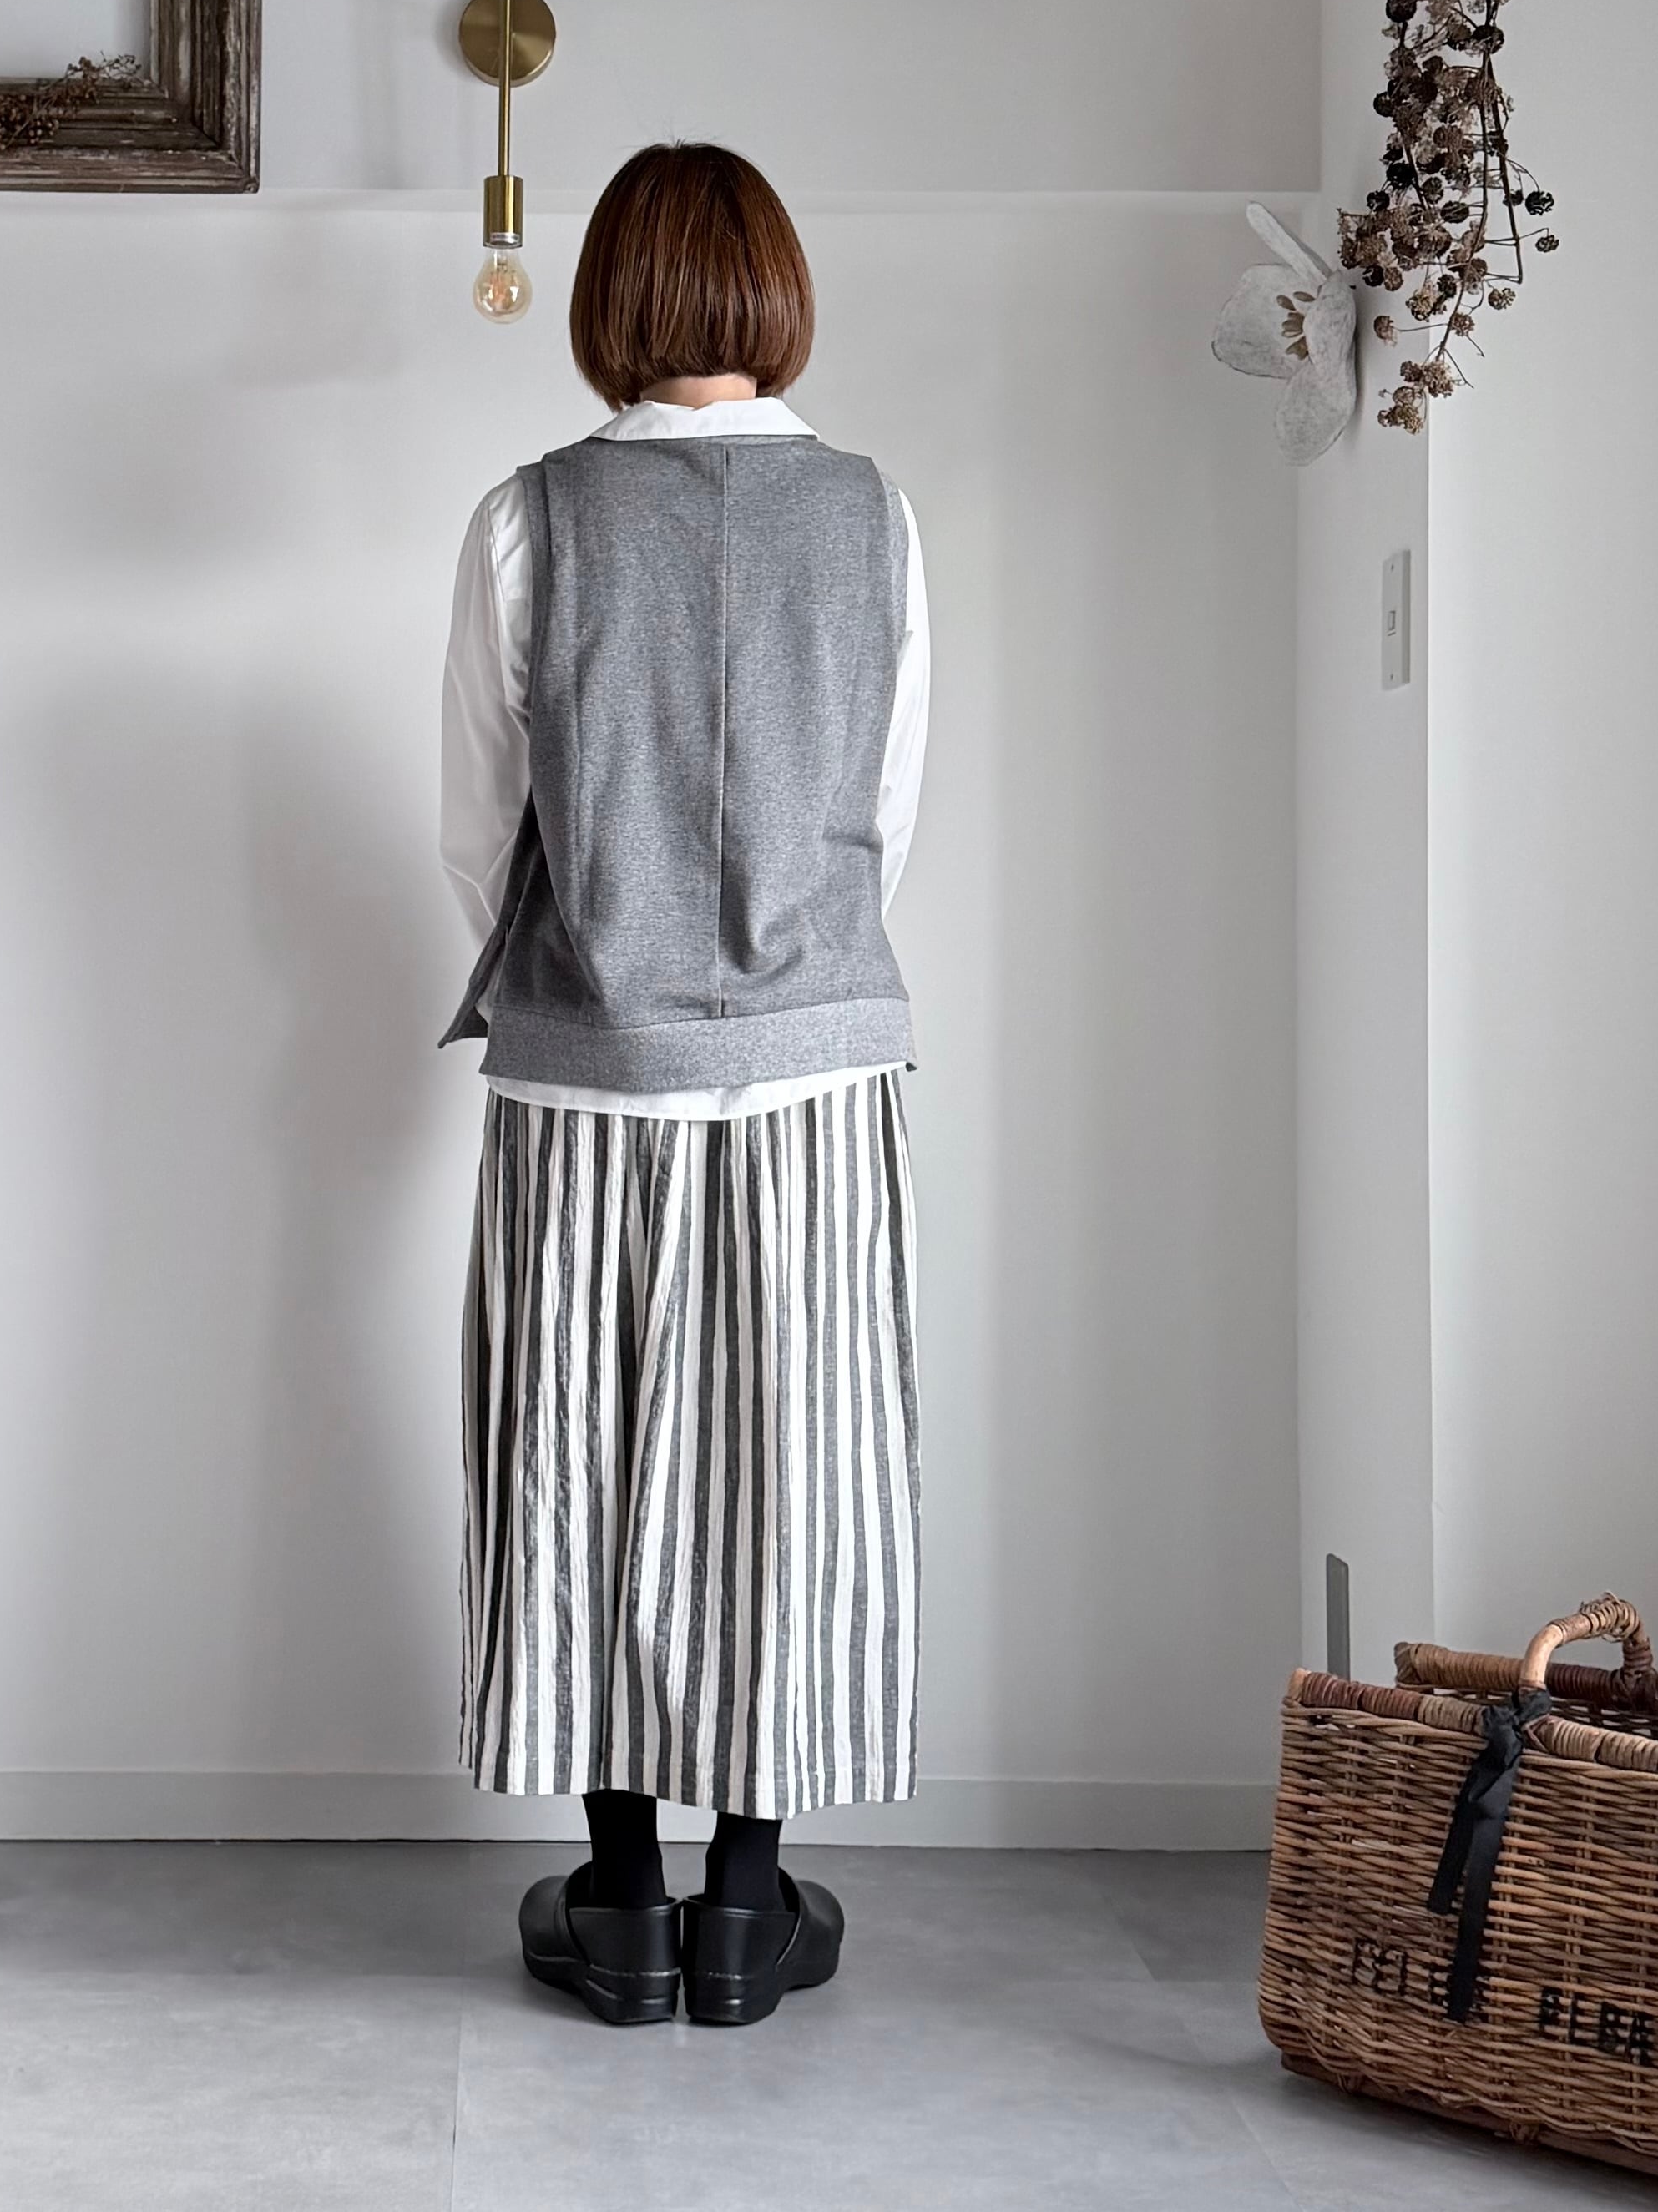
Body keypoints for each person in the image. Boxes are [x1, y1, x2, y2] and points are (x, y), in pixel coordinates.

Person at [437, 141, 929, 2028]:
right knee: (789, 1463)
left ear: (607, 304)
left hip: (584, 1077)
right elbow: (885, 813)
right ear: (774, 290)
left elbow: (478, 830)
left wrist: (600, 967)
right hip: (816, 1082)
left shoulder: (526, 519)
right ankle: (745, 1900)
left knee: (582, 1453)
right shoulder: (875, 515)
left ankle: (623, 1900)